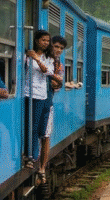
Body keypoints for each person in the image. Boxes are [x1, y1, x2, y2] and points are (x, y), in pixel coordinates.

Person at [23, 30, 54, 183]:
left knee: (35, 127)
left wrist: (36, 59)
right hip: (26, 93)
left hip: (40, 95)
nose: (45, 43)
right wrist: (31, 57)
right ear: (36, 40)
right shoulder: (27, 55)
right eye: (43, 40)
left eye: (47, 41)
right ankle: (27, 153)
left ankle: (33, 156)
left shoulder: (48, 58)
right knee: (26, 125)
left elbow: (48, 72)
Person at [38, 36, 66, 182]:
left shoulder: (59, 65)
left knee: (46, 135)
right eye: (56, 46)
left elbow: (58, 84)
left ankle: (42, 167)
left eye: (61, 48)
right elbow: (57, 81)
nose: (58, 50)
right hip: (40, 97)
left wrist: (53, 78)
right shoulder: (45, 59)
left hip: (48, 100)